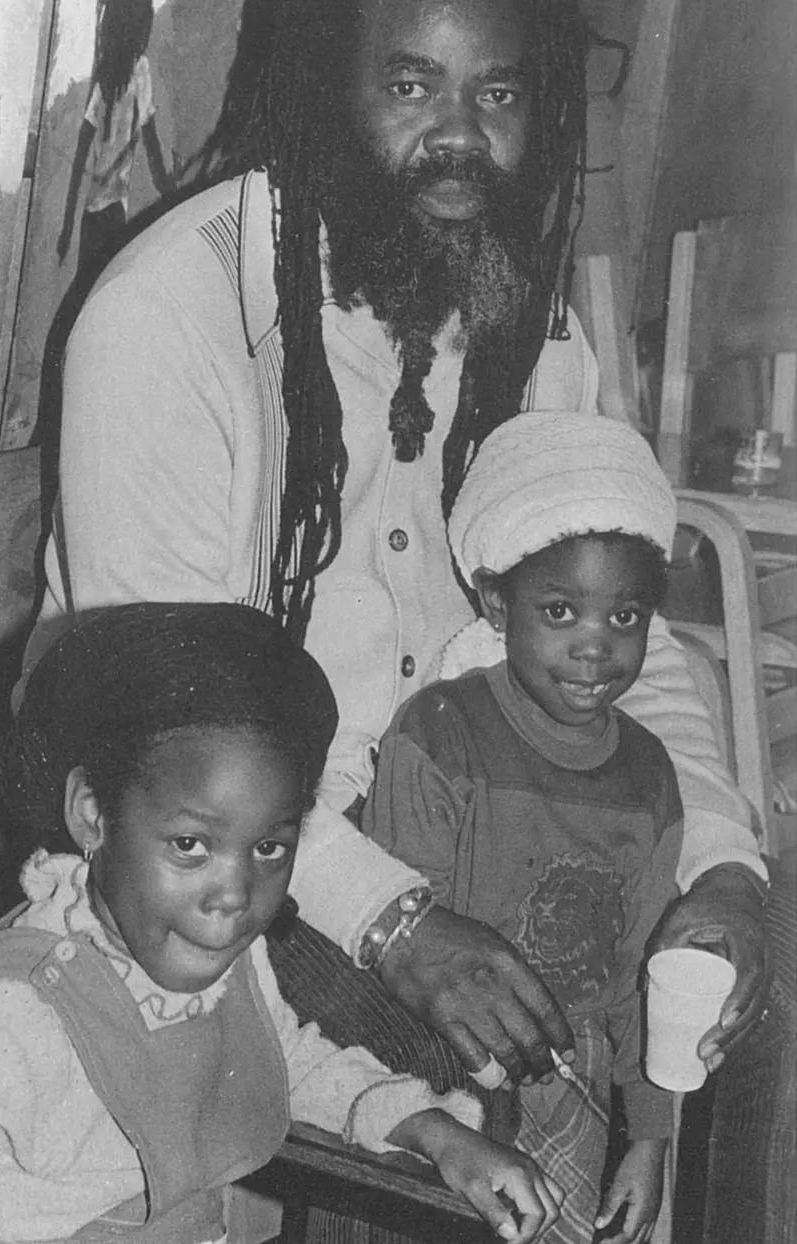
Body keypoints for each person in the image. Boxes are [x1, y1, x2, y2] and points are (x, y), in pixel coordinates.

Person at [26, 0, 768, 1094]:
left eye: (501, 92)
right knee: (487, 1080)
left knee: (745, 1005)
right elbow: (160, 730)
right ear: (330, 94)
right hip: (228, 848)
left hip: (478, 815)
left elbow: (625, 628)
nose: (463, 135)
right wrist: (396, 923)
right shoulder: (175, 321)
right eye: (412, 85)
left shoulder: (528, 328)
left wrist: (728, 867)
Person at [0, 602, 565, 1243]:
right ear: (93, 815)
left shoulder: (232, 967)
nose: (234, 895)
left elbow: (283, 1063)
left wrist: (430, 1129)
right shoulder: (7, 1018)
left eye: (269, 849)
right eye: (190, 845)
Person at [364, 411, 685, 1244]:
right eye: (559, 611)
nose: (594, 648)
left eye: (626, 617)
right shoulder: (438, 732)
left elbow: (641, 977)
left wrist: (648, 1139)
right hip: (444, 1071)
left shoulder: (649, 777)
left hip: (574, 1086)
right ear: (495, 600)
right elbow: (404, 957)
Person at [56, 0, 174, 282]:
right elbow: (151, 150)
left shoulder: (105, 78)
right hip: (113, 214)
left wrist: (66, 227)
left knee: (85, 291)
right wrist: (173, 193)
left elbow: (80, 156)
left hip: (90, 216)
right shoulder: (140, 73)